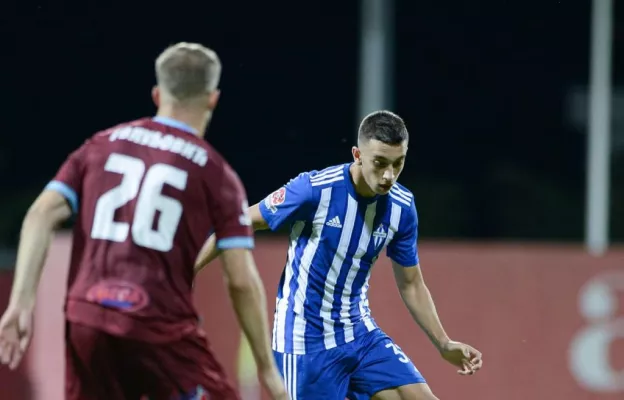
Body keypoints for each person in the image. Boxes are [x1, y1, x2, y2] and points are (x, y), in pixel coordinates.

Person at [0, 42, 287, 400]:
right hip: (160, 327)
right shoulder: (217, 173)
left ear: (156, 93)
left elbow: (41, 214)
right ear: (213, 98)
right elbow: (241, 280)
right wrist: (266, 369)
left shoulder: (100, 145)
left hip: (88, 319)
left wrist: (20, 303)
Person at [194, 110, 483, 399]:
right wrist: (186, 273)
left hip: (360, 333)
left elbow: (411, 283)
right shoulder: (314, 190)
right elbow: (236, 223)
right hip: (305, 342)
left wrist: (443, 343)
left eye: (398, 164)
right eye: (380, 163)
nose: (388, 176)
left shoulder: (402, 207)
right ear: (357, 154)